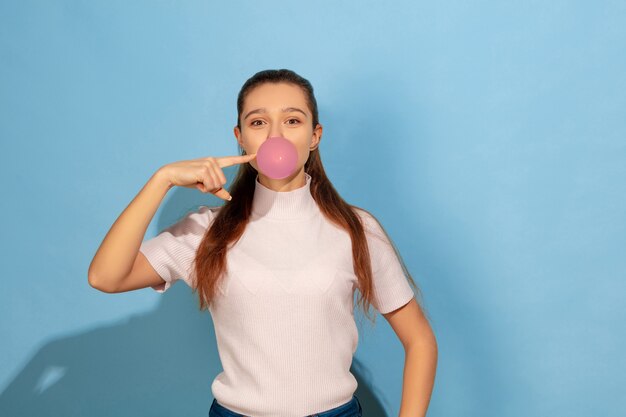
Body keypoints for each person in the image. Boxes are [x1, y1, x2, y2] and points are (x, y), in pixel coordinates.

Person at [88, 69, 437, 417]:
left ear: (315, 135)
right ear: (240, 137)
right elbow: (106, 277)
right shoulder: (206, 231)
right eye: (258, 123)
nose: (275, 136)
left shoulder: (356, 229)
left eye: (292, 121)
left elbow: (420, 341)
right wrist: (161, 179)